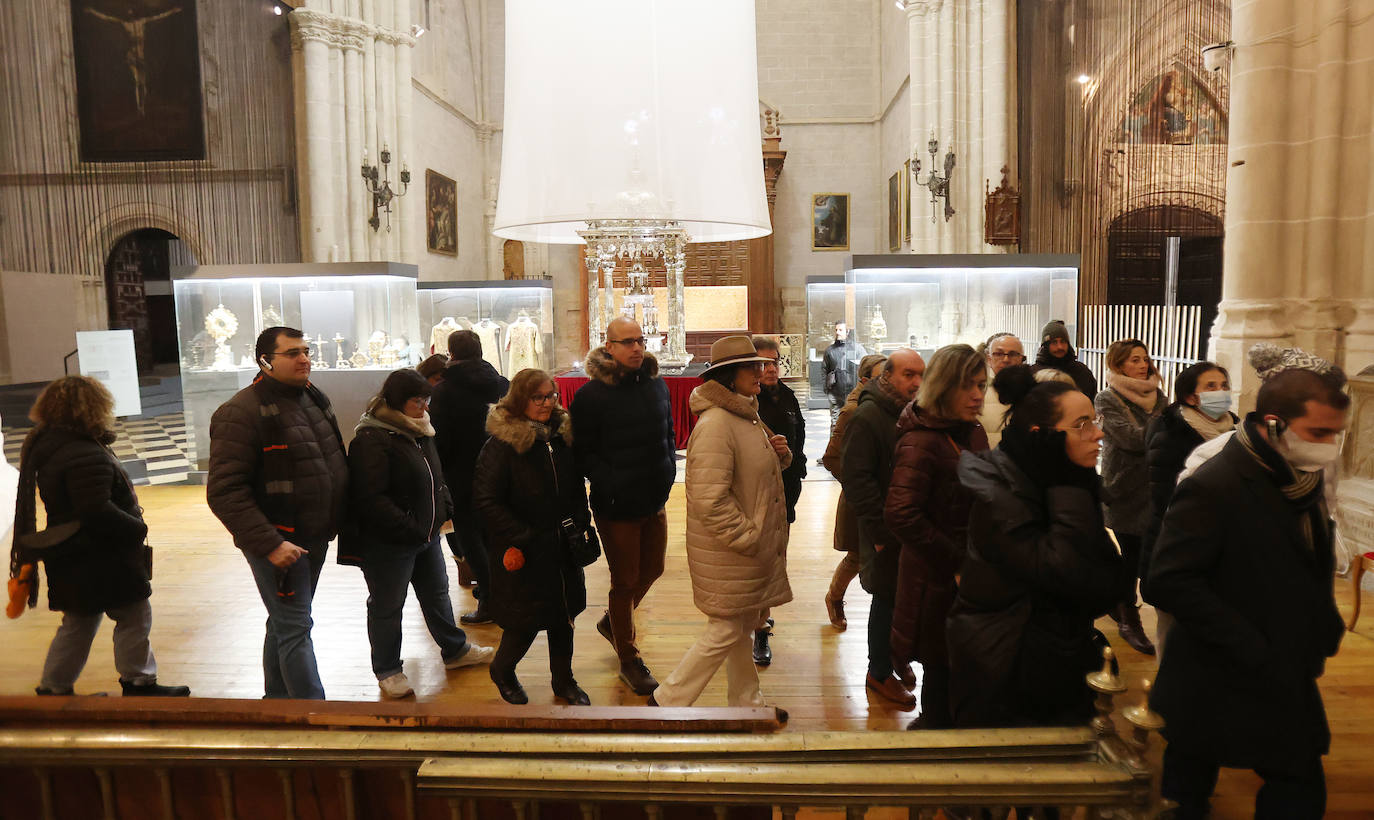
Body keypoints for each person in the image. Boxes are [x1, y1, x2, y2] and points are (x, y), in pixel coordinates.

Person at [1148, 366, 1348, 819]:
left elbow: (1308, 551)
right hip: (1219, 663)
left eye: (1335, 433)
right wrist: (1249, 643)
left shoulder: (1300, 474)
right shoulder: (1215, 482)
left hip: (1281, 660)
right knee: (1188, 786)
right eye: (1318, 432)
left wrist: (1323, 621)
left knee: (1296, 777)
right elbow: (1170, 579)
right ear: (1273, 423)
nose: (1329, 445)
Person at [948, 365, 1123, 728]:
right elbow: (1065, 573)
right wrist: (1069, 484)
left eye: (1095, 420)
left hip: (1057, 655)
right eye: (1082, 424)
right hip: (1009, 669)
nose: (1098, 434)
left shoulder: (1059, 483)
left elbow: (1111, 582)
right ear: (1039, 437)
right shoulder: (1000, 495)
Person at [9, 376, 189, 697]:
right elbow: (95, 509)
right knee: (133, 616)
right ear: (93, 407)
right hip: (100, 555)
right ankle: (138, 682)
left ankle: (54, 688)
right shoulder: (82, 452)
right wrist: (137, 528)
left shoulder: (53, 445)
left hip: (74, 554)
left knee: (79, 623)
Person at [648, 336, 791, 719]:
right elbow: (710, 500)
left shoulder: (746, 414)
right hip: (731, 551)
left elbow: (751, 479)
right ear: (729, 377)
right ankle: (667, 700)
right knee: (726, 630)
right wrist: (750, 537)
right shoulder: (716, 424)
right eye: (752, 367)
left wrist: (780, 455)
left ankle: (746, 703)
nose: (761, 372)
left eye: (761, 365)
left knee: (741, 627)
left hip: (744, 551)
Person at [208, 326, 348, 700]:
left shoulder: (312, 397)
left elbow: (330, 461)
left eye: (305, 350)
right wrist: (270, 544)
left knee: (284, 622)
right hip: (279, 541)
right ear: (265, 361)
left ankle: (277, 702)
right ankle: (314, 717)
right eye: (292, 353)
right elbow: (225, 492)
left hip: (314, 534)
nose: (304, 358)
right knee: (295, 625)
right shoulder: (240, 412)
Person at [342, 369, 495, 699]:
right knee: (387, 605)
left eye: (427, 400)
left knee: (437, 595)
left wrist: (445, 507)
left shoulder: (420, 430)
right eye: (417, 400)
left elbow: (434, 476)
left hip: (425, 536)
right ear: (397, 401)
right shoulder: (372, 438)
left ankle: (455, 651)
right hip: (390, 542)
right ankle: (387, 669)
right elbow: (370, 498)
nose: (424, 407)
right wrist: (408, 527)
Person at [473, 369, 596, 706]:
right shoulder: (502, 445)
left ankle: (564, 680)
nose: (546, 403)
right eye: (537, 397)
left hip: (562, 542)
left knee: (564, 615)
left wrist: (582, 522)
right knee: (524, 620)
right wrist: (521, 536)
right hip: (524, 546)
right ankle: (502, 669)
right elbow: (486, 500)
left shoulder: (559, 437)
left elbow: (572, 486)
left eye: (551, 395)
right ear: (520, 399)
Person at [884, 344, 989, 729]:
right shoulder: (923, 440)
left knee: (964, 670)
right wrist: (957, 561)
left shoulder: (971, 431)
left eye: (981, 384)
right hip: (937, 579)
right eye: (968, 386)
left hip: (966, 575)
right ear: (944, 387)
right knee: (943, 673)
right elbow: (901, 513)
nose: (978, 395)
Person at [569, 316, 675, 696]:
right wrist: (609, 479)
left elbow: (668, 433)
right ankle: (628, 657)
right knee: (625, 580)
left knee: (654, 570)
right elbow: (581, 452)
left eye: (640, 340)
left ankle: (613, 624)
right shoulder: (591, 396)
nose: (636, 348)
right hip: (616, 504)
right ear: (608, 346)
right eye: (627, 342)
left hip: (654, 497)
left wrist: (667, 474)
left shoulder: (657, 385)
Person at [840, 348, 925, 707]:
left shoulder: (907, 412)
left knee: (905, 596)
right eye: (908, 374)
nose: (916, 382)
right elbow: (858, 479)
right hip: (885, 529)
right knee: (887, 598)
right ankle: (878, 673)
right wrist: (877, 534)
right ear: (887, 376)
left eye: (921, 374)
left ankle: (898, 658)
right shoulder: (870, 415)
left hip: (907, 524)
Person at [1140, 361, 1235, 650]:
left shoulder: (1238, 430)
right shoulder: (1170, 434)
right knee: (1173, 634)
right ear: (1191, 397)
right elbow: (1166, 499)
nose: (1221, 392)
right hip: (1177, 544)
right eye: (1211, 386)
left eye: (1223, 385)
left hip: (1224, 548)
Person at [430, 329, 510, 625]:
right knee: (495, 533)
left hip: (460, 471)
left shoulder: (444, 390)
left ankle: (489, 599)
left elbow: (440, 437)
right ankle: (503, 592)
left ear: (451, 353)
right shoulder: (500, 383)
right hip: (498, 468)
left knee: (469, 537)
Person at [1094, 338, 1165, 656]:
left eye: (1145, 359)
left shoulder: (1158, 396)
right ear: (1119, 364)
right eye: (1135, 360)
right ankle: (1128, 616)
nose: (1143, 365)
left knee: (1142, 553)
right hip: (1124, 487)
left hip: (1154, 486)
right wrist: (1160, 427)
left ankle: (1121, 602)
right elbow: (1132, 439)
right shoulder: (1107, 398)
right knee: (1131, 552)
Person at [749, 335, 805, 666]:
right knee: (759, 562)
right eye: (764, 363)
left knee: (775, 560)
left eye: (775, 361)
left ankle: (761, 622)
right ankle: (757, 627)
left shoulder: (786, 395)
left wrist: (797, 467)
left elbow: (798, 436)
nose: (771, 368)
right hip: (757, 495)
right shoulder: (745, 403)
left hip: (786, 491)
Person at [820, 353, 887, 631]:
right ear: (865, 380)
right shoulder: (852, 411)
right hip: (862, 497)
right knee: (858, 556)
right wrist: (858, 486)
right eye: (882, 376)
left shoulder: (888, 404)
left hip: (884, 495)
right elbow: (831, 458)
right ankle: (834, 598)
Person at [978, 332, 1024, 449]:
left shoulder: (1030, 390)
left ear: (1021, 358)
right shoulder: (977, 390)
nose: (1006, 359)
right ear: (989, 358)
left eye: (1013, 354)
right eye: (998, 354)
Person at [1030, 320, 1097, 397]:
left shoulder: (1082, 372)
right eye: (1054, 342)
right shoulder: (1034, 374)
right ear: (1045, 346)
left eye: (1063, 341)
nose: (1060, 347)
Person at [822, 322, 866, 429]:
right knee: (835, 425)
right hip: (836, 394)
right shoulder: (830, 350)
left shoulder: (858, 349)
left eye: (840, 330)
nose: (837, 332)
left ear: (847, 331)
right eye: (836, 330)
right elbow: (825, 370)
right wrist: (827, 389)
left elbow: (865, 368)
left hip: (853, 393)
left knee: (854, 424)